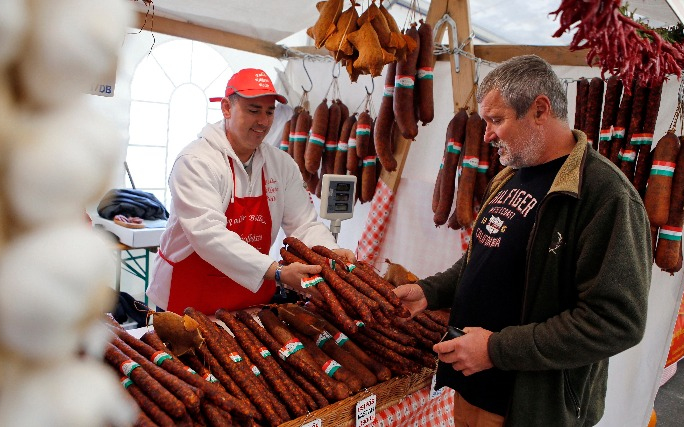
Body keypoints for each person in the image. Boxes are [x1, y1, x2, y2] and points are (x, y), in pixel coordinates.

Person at [394, 55, 651, 426]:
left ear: (540, 109)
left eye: (496, 120)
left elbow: (616, 321)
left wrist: (496, 350)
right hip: (472, 388)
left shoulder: (605, 195)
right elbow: (481, 257)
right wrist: (429, 292)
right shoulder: (511, 175)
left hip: (533, 408)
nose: (487, 135)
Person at [147, 68, 355, 314]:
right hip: (189, 298)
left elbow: (304, 226)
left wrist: (328, 253)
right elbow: (208, 234)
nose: (264, 122)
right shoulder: (196, 161)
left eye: (269, 112)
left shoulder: (281, 164)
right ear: (226, 108)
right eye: (254, 110)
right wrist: (277, 272)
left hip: (250, 300)